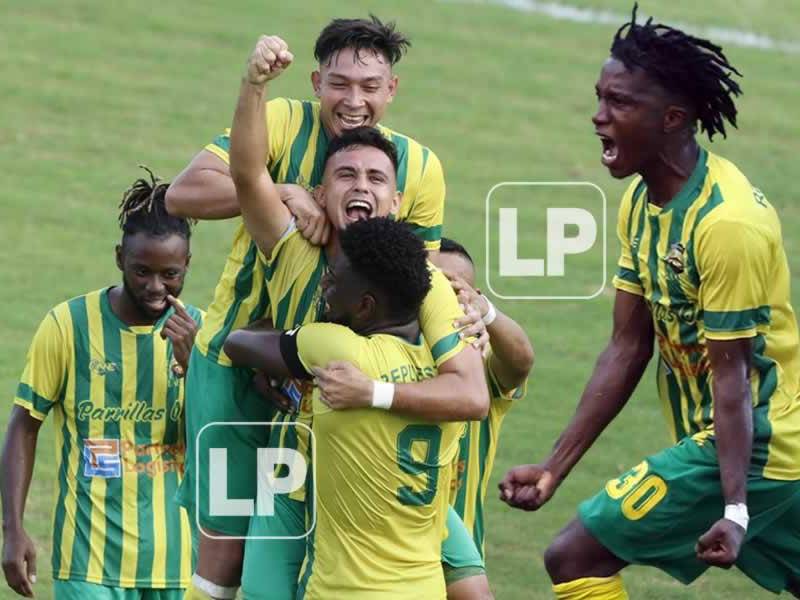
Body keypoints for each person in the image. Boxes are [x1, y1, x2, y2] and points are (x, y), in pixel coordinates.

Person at [499, 7, 800, 599]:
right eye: (599, 97)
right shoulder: (642, 202)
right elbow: (628, 346)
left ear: (672, 119)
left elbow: (733, 375)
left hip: (756, 444)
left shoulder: (727, 224)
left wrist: (735, 508)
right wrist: (556, 466)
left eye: (619, 103)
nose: (598, 115)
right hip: (746, 448)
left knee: (574, 557)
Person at [194, 38, 489, 600]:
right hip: (296, 462)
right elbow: (248, 174)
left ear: (398, 200)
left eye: (377, 179)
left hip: (386, 479)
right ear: (319, 191)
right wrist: (254, 86)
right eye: (346, 176)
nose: (361, 186)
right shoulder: (291, 247)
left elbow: (473, 394)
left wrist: (370, 389)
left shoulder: (424, 283)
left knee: (473, 590)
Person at [223, 217, 463, 598]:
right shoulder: (449, 376)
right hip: (424, 588)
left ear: (365, 306)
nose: (324, 285)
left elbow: (237, 343)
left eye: (333, 281)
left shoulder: (336, 350)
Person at [1, 170, 203, 600]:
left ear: (187, 265)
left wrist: (196, 369)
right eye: (141, 271)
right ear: (119, 259)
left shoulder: (202, 333)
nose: (154, 287)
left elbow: (218, 440)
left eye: (170, 274)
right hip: (88, 562)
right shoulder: (68, 325)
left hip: (179, 562)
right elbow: (24, 424)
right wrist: (13, 528)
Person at [315, 237, 534, 598]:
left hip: (452, 552)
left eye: (453, 289)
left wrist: (488, 316)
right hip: (380, 557)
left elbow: (521, 361)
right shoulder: (371, 356)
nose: (440, 302)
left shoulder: (477, 366)